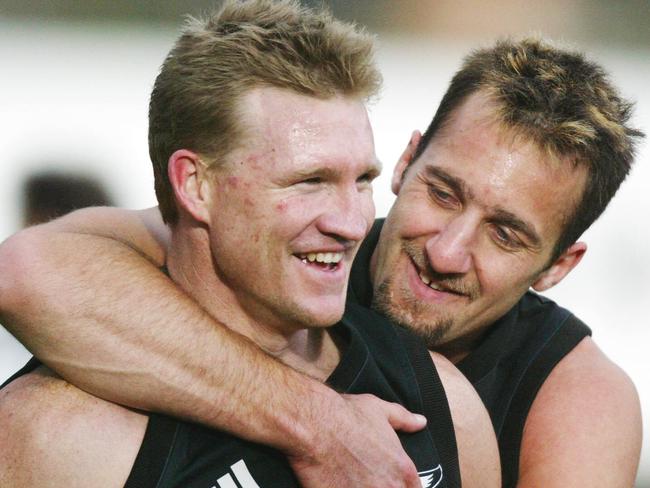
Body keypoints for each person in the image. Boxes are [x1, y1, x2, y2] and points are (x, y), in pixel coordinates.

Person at [0, 25, 642, 488]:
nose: (446, 252)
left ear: (559, 267)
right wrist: (321, 426)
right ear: (406, 161)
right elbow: (29, 271)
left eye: (505, 235)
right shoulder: (290, 247)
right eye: (442, 194)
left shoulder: (562, 404)